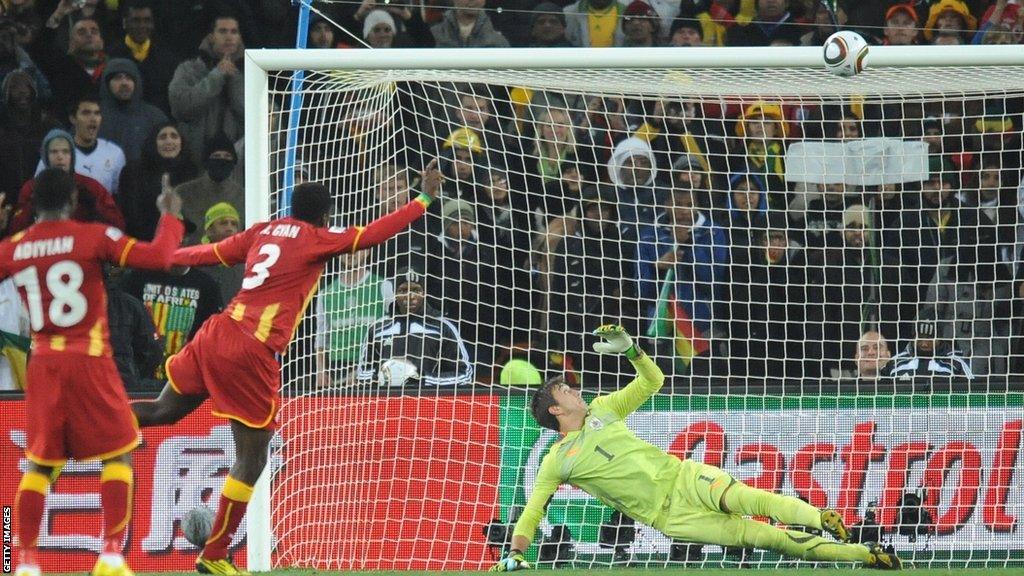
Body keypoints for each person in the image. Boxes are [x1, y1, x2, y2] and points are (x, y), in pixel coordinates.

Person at [130, 164, 442, 574]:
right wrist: (423, 198)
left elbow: (210, 253)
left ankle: (83, 425)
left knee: (161, 411)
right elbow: (375, 233)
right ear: (326, 217)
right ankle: (216, 554)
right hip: (249, 349)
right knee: (253, 457)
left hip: (215, 332)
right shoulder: (318, 239)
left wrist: (172, 257)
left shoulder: (264, 230)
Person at [490, 324, 901, 572]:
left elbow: (653, 382)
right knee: (761, 536)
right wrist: (515, 553)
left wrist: (633, 350)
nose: (575, 390)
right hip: (670, 516)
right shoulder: (557, 460)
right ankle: (863, 556)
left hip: (683, 476)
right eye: (566, 390)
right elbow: (533, 509)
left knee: (751, 497)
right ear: (557, 410)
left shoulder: (604, 409)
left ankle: (823, 518)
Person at [3, 167, 183, 576]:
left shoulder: (13, 247)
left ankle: (25, 562)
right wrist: (170, 216)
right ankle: (111, 554)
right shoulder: (92, 237)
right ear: (71, 202)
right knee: (119, 452)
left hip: (44, 362)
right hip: (91, 358)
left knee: (41, 463)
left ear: (31, 207)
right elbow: (160, 257)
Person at [356, 267, 474, 387]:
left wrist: (421, 378)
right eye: (403, 291)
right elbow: (362, 373)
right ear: (395, 293)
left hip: (428, 401)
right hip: (386, 402)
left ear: (424, 293)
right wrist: (383, 375)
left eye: (416, 290)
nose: (410, 296)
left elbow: (465, 374)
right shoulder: (378, 328)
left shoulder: (442, 328)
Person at [168, 14, 244, 165]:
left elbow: (263, 118)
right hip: (193, 161)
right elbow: (180, 108)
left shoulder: (253, 71)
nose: (229, 37)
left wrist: (235, 79)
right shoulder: (188, 70)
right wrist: (217, 76)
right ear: (211, 37)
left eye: (234, 32)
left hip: (238, 166)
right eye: (223, 31)